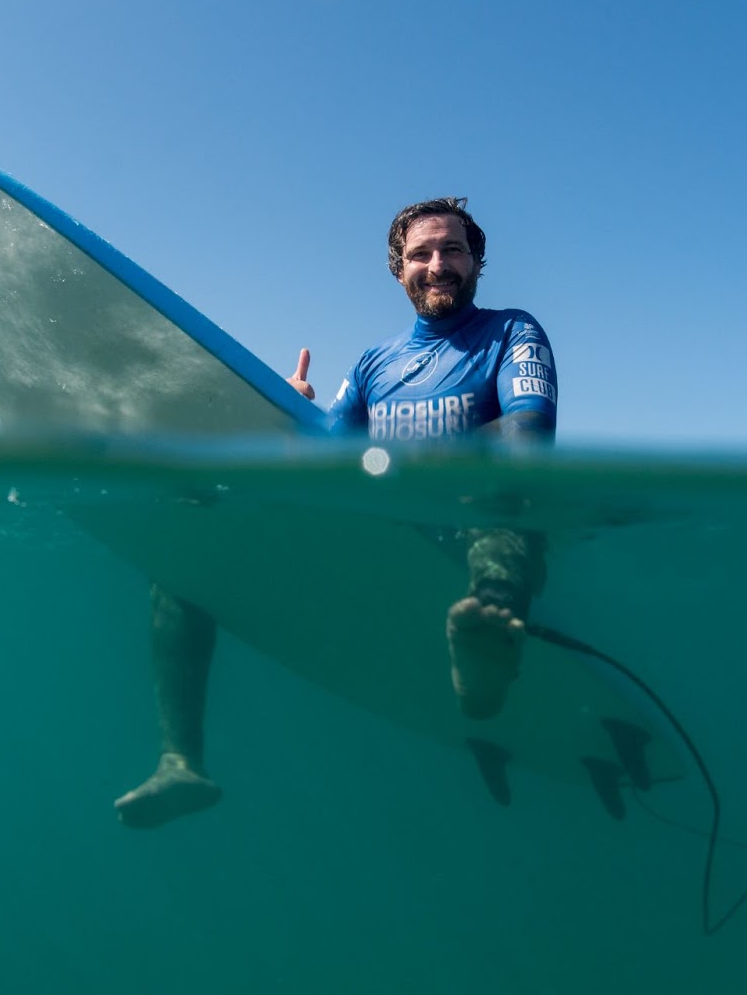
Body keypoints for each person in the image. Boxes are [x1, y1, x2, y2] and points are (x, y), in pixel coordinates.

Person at [114, 197, 558, 829]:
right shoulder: (374, 365)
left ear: (478, 261)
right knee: (188, 562)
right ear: (397, 270)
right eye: (421, 254)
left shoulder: (511, 333)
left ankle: (482, 662)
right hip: (376, 542)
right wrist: (287, 417)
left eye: (452, 249)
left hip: (465, 536)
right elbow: (323, 456)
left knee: (501, 512)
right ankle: (181, 762)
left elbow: (527, 437)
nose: (438, 264)